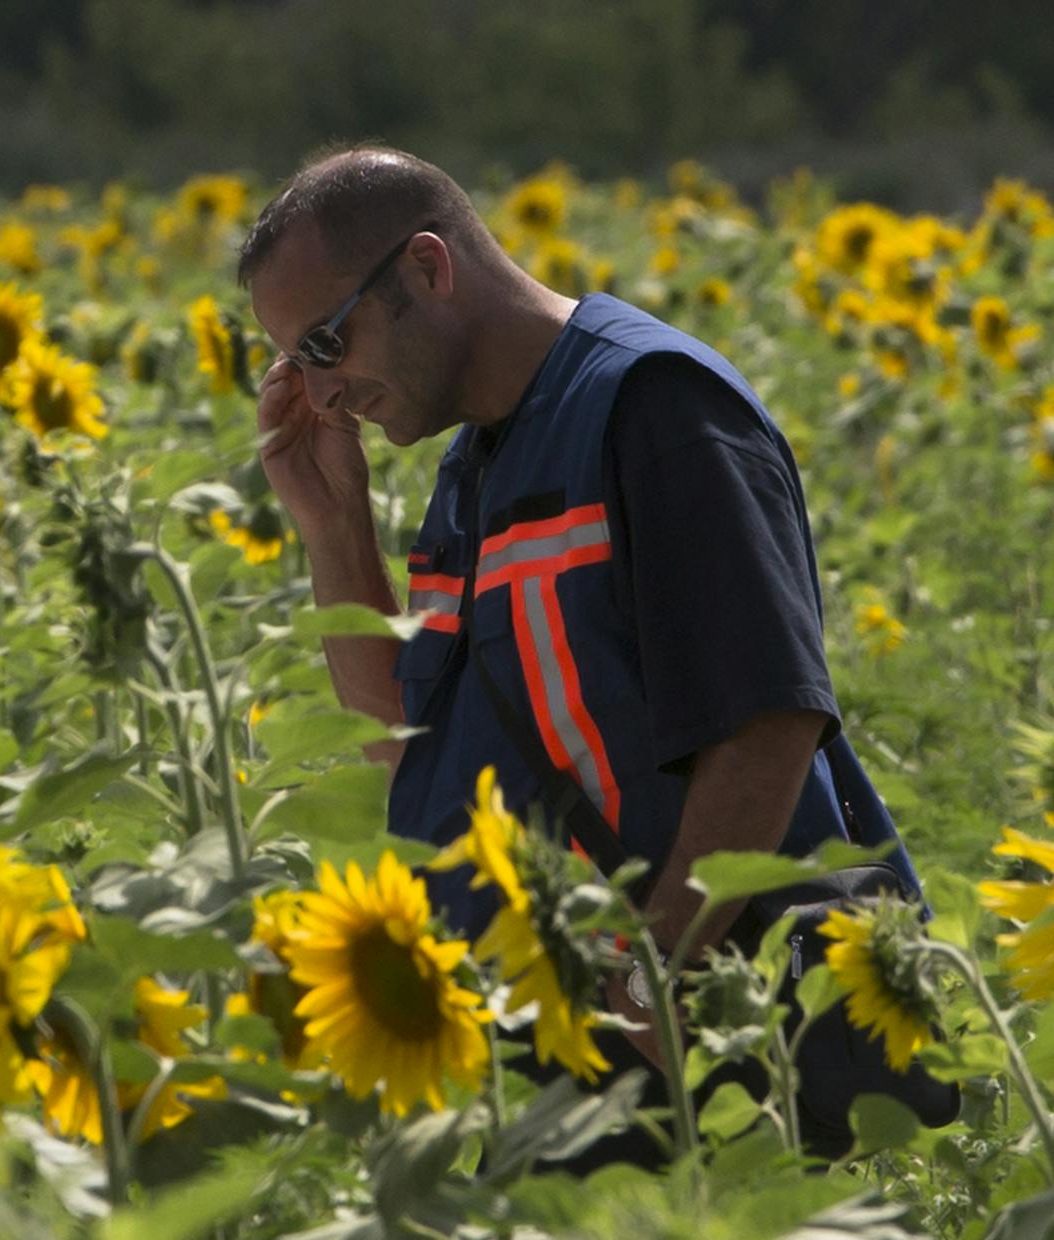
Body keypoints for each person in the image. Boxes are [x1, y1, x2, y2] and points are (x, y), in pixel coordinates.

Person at [236, 144, 930, 1124]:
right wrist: (335, 525)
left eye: (324, 346)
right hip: (574, 1064)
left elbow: (767, 721)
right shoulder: (474, 472)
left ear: (427, 269)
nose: (320, 393)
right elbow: (414, 755)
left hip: (745, 1043)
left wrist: (660, 970)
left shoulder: (656, 409)